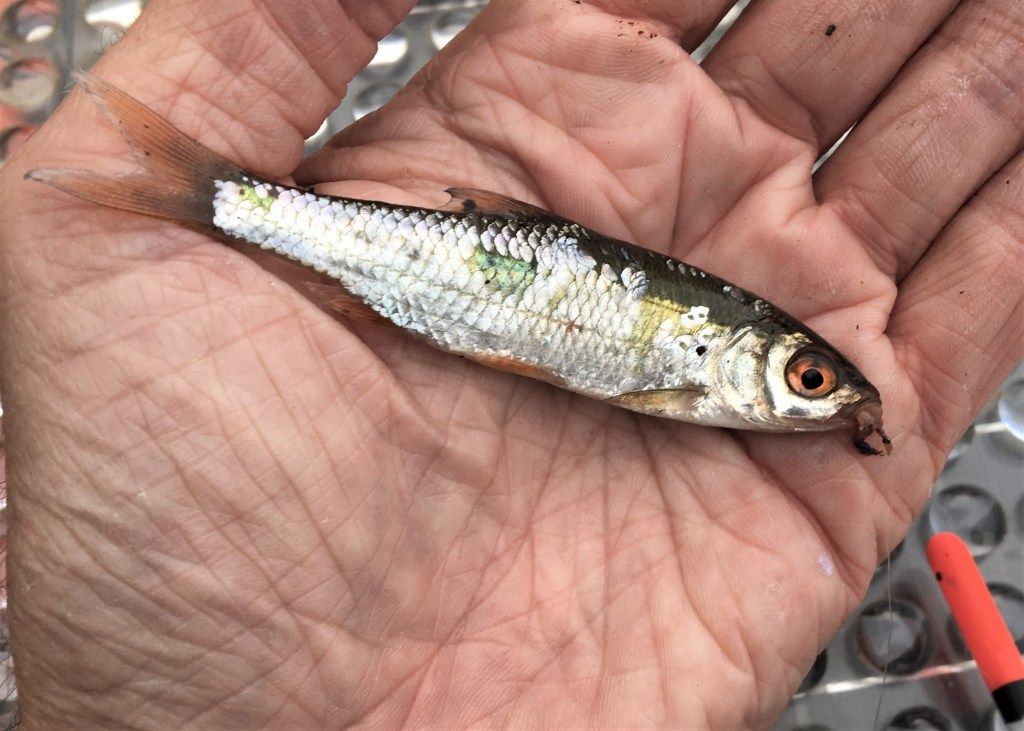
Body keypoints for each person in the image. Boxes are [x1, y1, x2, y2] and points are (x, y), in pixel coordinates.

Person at [1, 0, 1022, 727]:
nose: (818, 397)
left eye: (813, 384)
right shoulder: (691, 379)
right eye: (808, 379)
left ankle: (215, 199)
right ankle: (217, 199)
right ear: (741, 354)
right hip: (453, 272)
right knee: (253, 211)